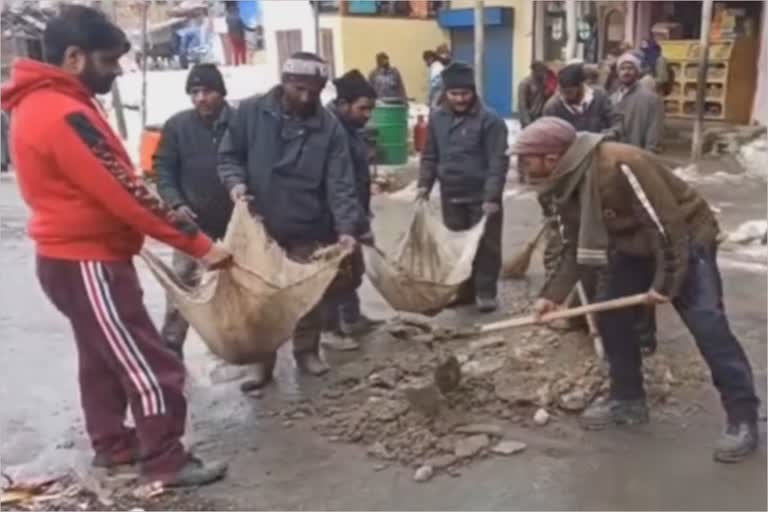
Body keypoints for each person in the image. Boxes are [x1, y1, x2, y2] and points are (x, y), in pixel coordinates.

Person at [1, 6, 229, 486]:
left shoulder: (45, 101)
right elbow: (128, 193)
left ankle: (114, 446)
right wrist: (202, 246)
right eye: (108, 61)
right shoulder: (62, 113)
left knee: (103, 357)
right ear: (73, 56)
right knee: (151, 362)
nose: (116, 71)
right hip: (88, 260)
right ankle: (165, 460)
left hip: (70, 258)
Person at [514, 117, 760, 463]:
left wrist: (665, 285)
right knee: (611, 316)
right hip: (630, 244)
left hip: (684, 239)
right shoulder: (560, 185)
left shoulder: (619, 164)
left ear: (553, 157)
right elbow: (572, 245)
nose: (521, 166)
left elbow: (666, 226)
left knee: (708, 326)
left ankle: (743, 417)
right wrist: (552, 295)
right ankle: (627, 400)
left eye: (527, 158)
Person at [218, 52, 363, 389]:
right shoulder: (251, 113)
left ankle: (307, 352)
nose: (306, 97)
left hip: (308, 223)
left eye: (315, 91)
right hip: (259, 226)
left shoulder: (329, 128)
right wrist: (236, 184)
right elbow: (229, 157)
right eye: (299, 89)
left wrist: (345, 229)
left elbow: (340, 182)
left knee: (306, 295)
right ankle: (261, 363)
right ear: (283, 83)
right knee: (259, 298)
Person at [153, 63, 234, 359]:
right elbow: (163, 170)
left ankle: (237, 346)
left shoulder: (239, 124)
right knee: (182, 288)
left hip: (234, 226)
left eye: (208, 91)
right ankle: (171, 350)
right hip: (191, 225)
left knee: (237, 286)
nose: (201, 98)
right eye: (194, 92)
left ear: (221, 93)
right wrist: (176, 204)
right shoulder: (177, 126)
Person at [416, 63, 509, 313]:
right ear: (446, 93)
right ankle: (464, 291)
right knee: (457, 246)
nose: (459, 99)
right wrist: (424, 185)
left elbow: (498, 161)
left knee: (486, 246)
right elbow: (430, 156)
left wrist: (492, 197)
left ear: (473, 92)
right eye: (454, 94)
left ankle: (486, 292)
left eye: (464, 94)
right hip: (452, 195)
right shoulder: (438, 118)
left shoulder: (490, 120)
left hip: (482, 197)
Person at [324, 69, 379, 349]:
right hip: (331, 216)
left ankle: (351, 317)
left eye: (371, 108)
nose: (368, 114)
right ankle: (329, 330)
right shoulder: (329, 130)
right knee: (334, 273)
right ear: (343, 104)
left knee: (352, 269)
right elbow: (339, 183)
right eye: (363, 108)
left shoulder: (351, 129)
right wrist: (357, 223)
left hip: (351, 211)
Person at [543, 63, 622, 139]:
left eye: (569, 92)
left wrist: (605, 136)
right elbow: (547, 134)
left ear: (581, 86)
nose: (565, 96)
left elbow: (616, 121)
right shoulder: (553, 106)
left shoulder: (600, 96)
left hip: (599, 147)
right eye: (562, 92)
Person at [610, 52, 663, 153]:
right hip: (615, 155)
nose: (626, 72)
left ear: (637, 71)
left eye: (630, 68)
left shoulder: (650, 98)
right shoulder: (612, 99)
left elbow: (654, 130)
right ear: (618, 72)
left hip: (639, 155)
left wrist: (649, 154)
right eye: (622, 69)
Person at [517, 61, 556, 128]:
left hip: (541, 118)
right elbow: (522, 105)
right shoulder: (525, 83)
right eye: (541, 71)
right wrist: (527, 123)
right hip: (529, 118)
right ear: (534, 71)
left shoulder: (543, 83)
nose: (543, 73)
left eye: (544, 71)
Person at [225, 2, 254, 66]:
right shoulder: (238, 18)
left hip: (232, 36)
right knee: (243, 49)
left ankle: (236, 63)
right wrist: (252, 29)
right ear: (236, 11)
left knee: (235, 49)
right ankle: (243, 62)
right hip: (240, 36)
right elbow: (244, 26)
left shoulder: (227, 18)